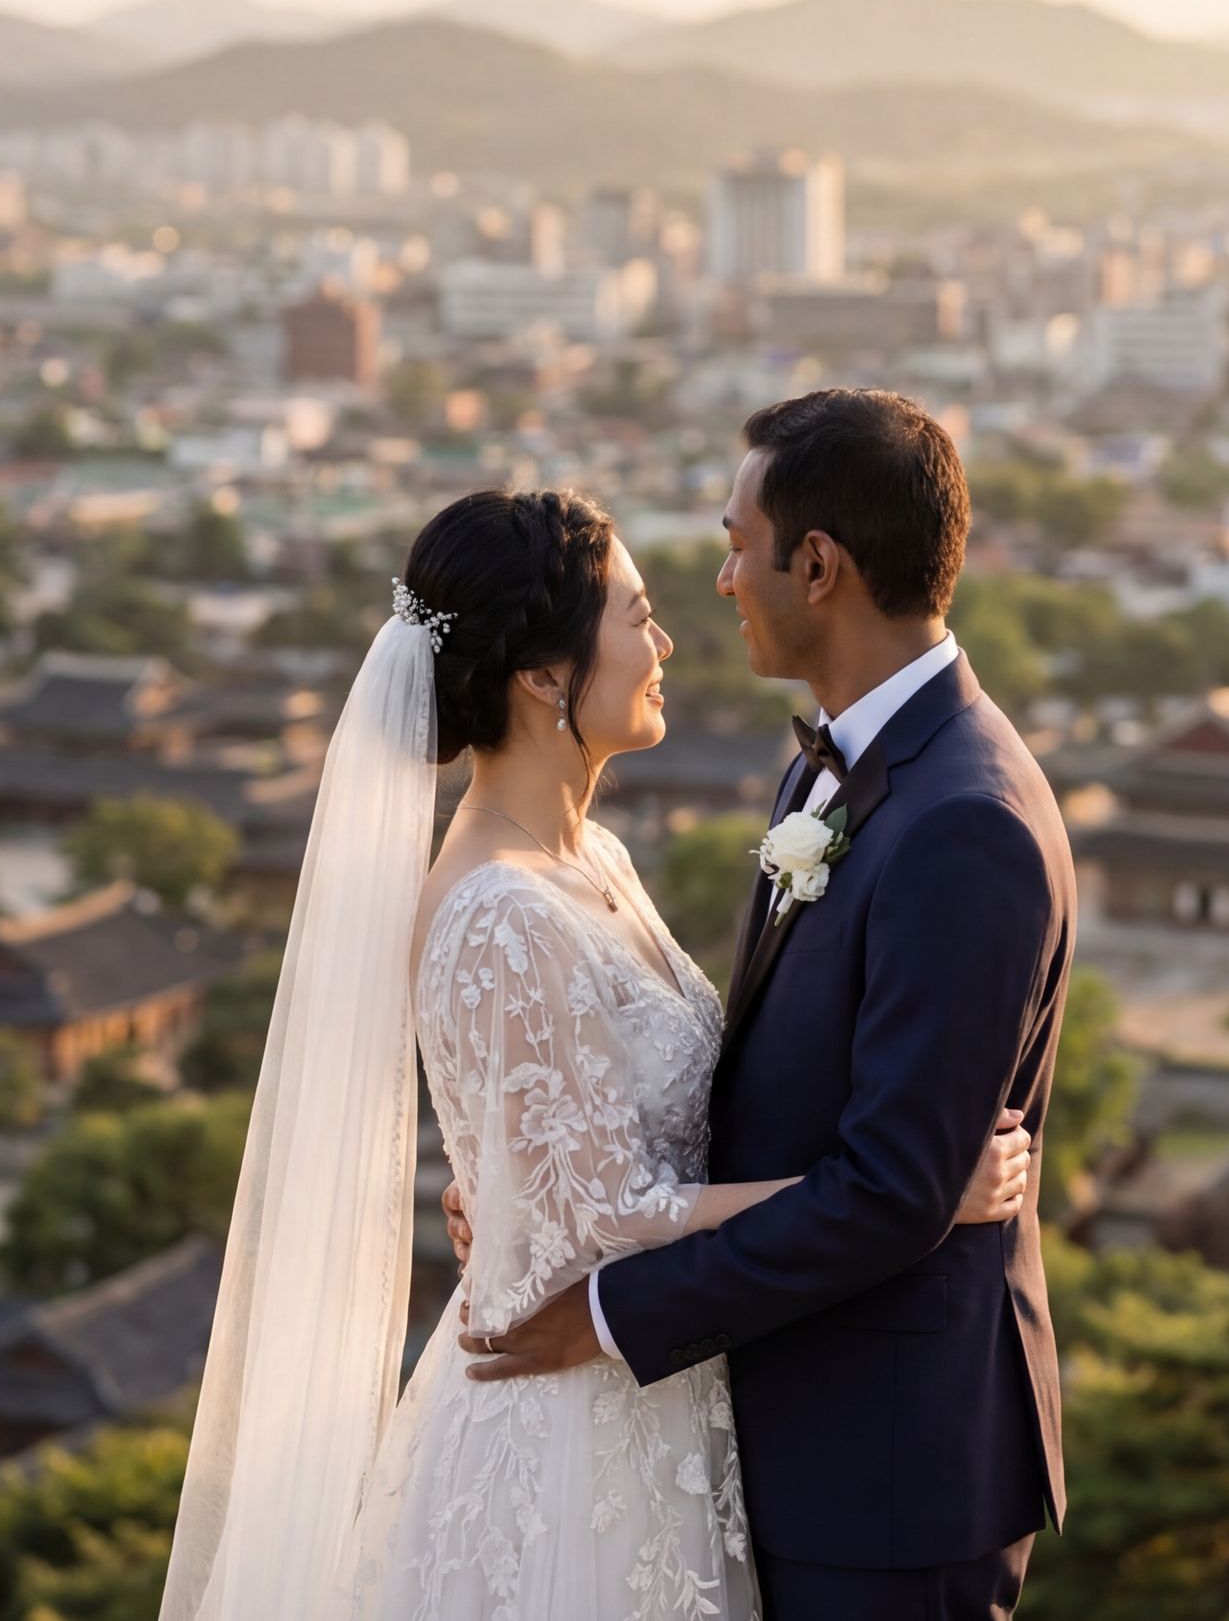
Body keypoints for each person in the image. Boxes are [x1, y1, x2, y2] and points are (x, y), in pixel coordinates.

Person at [157, 470, 1039, 1620]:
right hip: (563, 1428)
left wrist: (508, 1195)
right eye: (635, 616)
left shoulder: (596, 861)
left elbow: (602, 1147)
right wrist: (905, 1191)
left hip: (657, 1392)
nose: (667, 639)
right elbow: (608, 1215)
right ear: (540, 675)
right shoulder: (499, 910)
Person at [456, 390, 1075, 1620]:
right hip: (786, 1431)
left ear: (821, 564)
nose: (724, 580)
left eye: (739, 544)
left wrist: (605, 1308)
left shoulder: (966, 824)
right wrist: (539, 1190)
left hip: (890, 1472)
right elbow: (768, 1092)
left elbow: (896, 1190)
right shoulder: (827, 764)